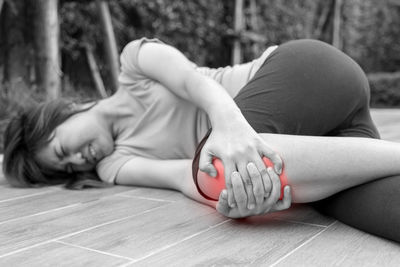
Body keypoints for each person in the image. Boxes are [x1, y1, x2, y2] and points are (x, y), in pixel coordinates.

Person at [3, 38, 400, 243]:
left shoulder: (133, 63)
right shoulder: (112, 166)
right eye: (68, 167)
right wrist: (233, 203)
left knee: (222, 167)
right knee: (221, 179)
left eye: (62, 148)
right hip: (319, 145)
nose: (78, 159)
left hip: (309, 72)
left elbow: (192, 81)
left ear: (64, 111)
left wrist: (230, 128)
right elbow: (185, 179)